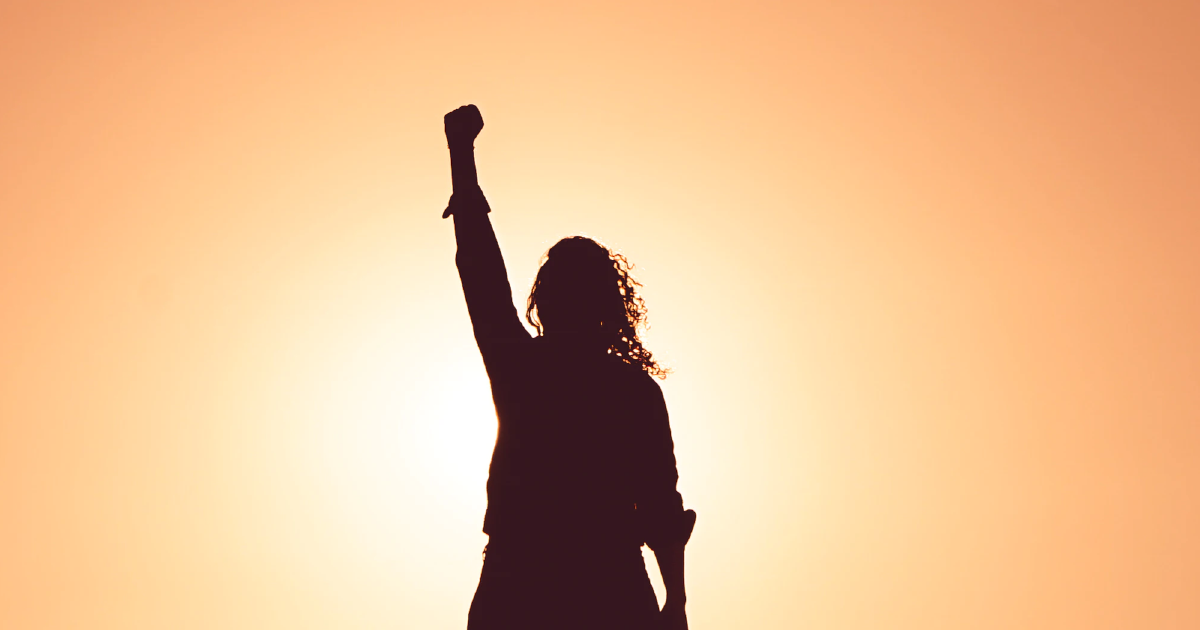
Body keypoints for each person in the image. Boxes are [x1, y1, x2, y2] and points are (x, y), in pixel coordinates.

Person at [443, 104, 696, 630]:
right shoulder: (628, 390)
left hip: (542, 584)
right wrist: (676, 603)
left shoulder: (524, 368)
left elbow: (482, 276)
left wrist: (462, 158)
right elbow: (660, 509)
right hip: (584, 585)